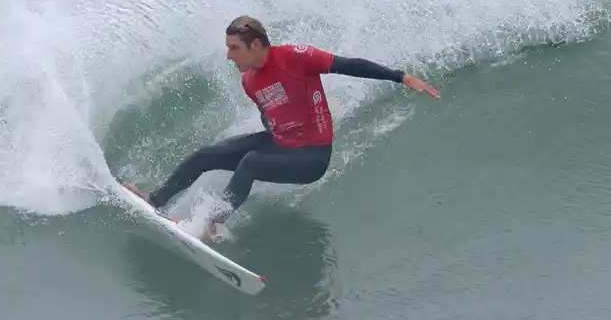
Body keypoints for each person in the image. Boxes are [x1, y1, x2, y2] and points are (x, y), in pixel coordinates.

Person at [122, 15, 440, 240]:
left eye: (234, 48)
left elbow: (349, 65)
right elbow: (269, 113)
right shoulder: (249, 80)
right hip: (281, 144)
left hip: (312, 157)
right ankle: (156, 200)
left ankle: (212, 226)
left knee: (251, 162)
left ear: (255, 44)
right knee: (208, 155)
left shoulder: (295, 58)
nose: (228, 55)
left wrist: (400, 77)